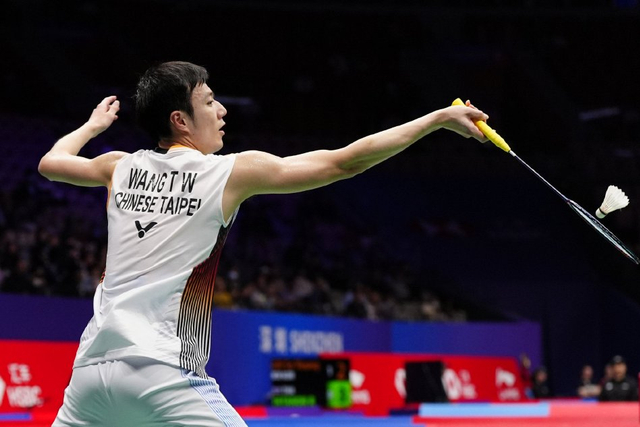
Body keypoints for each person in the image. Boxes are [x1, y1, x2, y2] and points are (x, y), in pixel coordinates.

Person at [38, 61, 488, 426]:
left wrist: (92, 127)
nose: (221, 111)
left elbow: (51, 162)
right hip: (163, 371)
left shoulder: (118, 167)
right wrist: (437, 119)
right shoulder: (230, 172)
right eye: (209, 102)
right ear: (180, 120)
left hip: (90, 375)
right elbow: (344, 163)